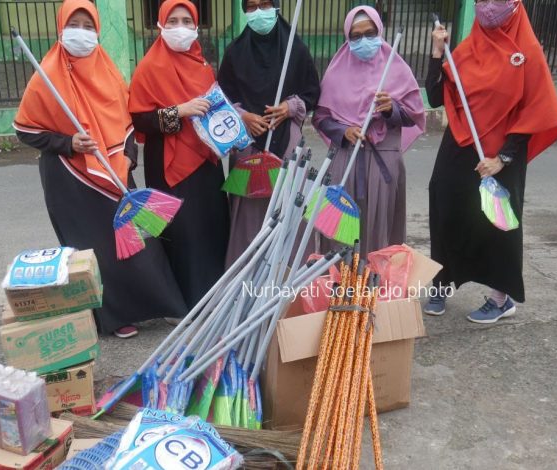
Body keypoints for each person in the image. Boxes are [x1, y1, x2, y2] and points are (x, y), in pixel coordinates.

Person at [13, 0, 188, 338]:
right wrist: (67, 143)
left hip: (115, 169)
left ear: (97, 30)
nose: (82, 33)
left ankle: (165, 304)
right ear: (61, 29)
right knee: (96, 249)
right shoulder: (46, 76)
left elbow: (126, 118)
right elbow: (25, 129)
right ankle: (114, 317)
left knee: (140, 242)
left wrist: (128, 158)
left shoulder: (107, 70)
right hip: (70, 178)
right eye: (74, 25)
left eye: (88, 26)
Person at [424, 0, 557, 323]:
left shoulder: (527, 51)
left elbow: (537, 109)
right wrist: (437, 51)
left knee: (497, 223)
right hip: (461, 144)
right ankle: (442, 284)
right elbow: (435, 97)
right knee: (446, 205)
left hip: (502, 153)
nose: (488, 6)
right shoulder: (468, 48)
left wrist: (502, 158)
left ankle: (501, 298)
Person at [128, 0, 229, 311]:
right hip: (167, 164)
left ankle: (214, 297)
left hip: (206, 161)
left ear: (197, 25)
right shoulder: (149, 66)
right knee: (180, 232)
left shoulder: (203, 66)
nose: (180, 27)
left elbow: (217, 107)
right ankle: (183, 303)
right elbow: (140, 120)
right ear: (160, 24)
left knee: (210, 226)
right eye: (173, 20)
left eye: (187, 20)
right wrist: (178, 112)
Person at [312, 6, 425, 257]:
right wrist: (343, 130)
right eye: (356, 35)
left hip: (383, 162)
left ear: (380, 32)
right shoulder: (335, 71)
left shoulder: (397, 70)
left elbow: (414, 115)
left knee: (379, 227)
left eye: (370, 33)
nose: (363, 40)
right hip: (345, 160)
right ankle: (342, 287)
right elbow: (320, 117)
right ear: (347, 37)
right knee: (340, 230)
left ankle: (374, 287)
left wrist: (390, 109)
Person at [218, 0, 320, 265]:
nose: (258, 12)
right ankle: (245, 286)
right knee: (249, 218)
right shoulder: (234, 53)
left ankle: (287, 280)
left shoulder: (294, 49)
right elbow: (222, 100)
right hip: (247, 148)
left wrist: (289, 107)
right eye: (251, 6)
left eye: (264, 4)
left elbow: (312, 92)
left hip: (286, 146)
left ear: (276, 7)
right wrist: (243, 116)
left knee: (287, 212)